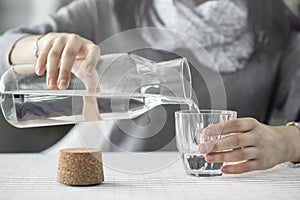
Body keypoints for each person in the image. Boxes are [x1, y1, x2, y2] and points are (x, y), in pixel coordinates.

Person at [0, 0, 299, 174]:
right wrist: (43, 47)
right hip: (109, 183)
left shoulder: (281, 34)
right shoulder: (110, 8)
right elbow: (6, 47)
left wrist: (288, 141)